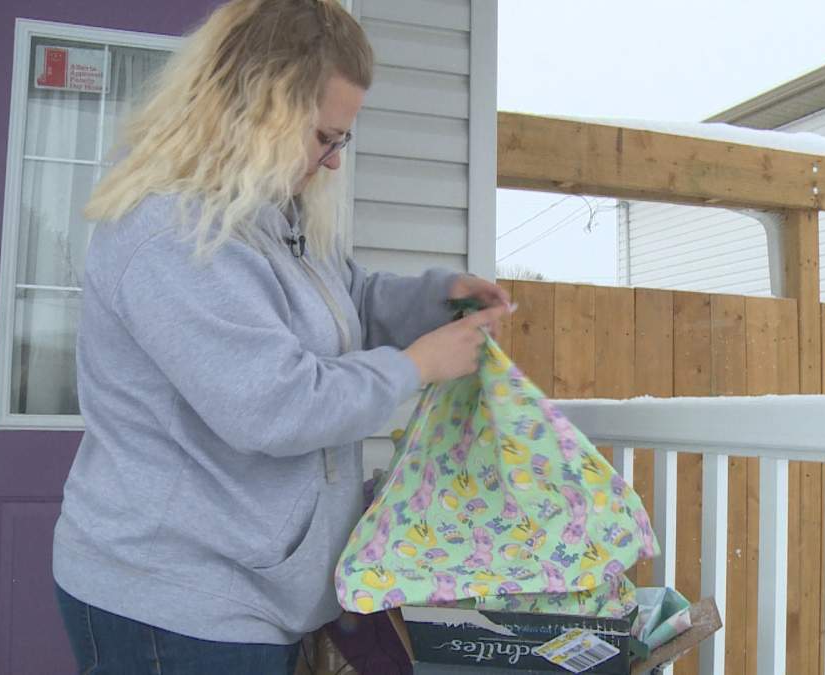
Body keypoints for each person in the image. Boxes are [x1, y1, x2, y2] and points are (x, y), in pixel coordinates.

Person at [51, 1, 510, 673]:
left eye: (341, 140)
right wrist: (415, 366)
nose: (332, 162)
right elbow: (274, 402)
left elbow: (346, 302)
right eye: (324, 137)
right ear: (258, 109)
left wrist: (434, 299)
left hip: (253, 589)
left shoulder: (271, 213)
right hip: (175, 601)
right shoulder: (169, 232)